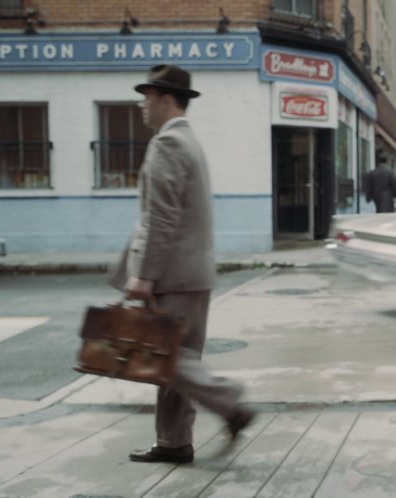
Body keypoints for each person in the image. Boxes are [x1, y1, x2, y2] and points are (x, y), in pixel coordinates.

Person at [110, 64, 254, 464]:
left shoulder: (168, 144)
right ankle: (174, 442)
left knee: (165, 358)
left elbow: (162, 218)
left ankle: (230, 402)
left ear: (166, 100)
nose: (142, 106)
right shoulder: (188, 141)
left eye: (147, 98)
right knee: (175, 359)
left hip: (173, 276)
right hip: (192, 274)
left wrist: (144, 276)